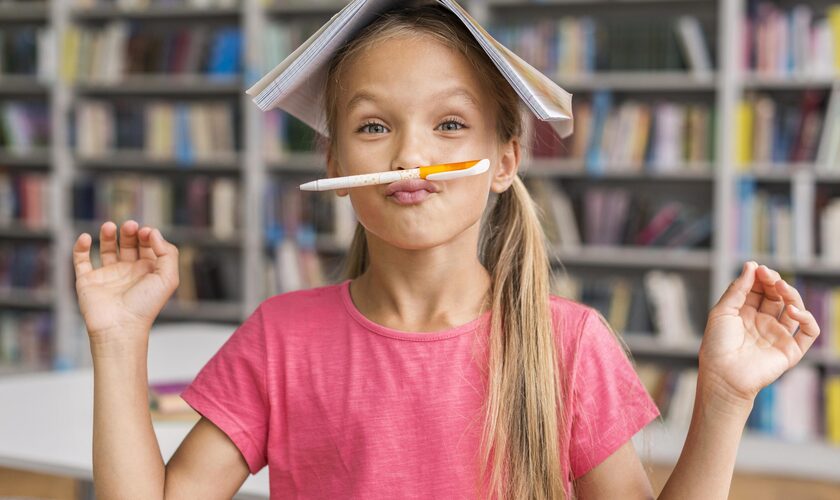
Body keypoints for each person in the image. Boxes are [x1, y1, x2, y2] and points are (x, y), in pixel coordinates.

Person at [72, 3, 821, 499]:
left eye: (450, 125)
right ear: (335, 166)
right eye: (373, 128)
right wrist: (117, 341)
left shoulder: (569, 344)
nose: (410, 155)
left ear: (504, 161)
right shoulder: (281, 337)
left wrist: (724, 399)